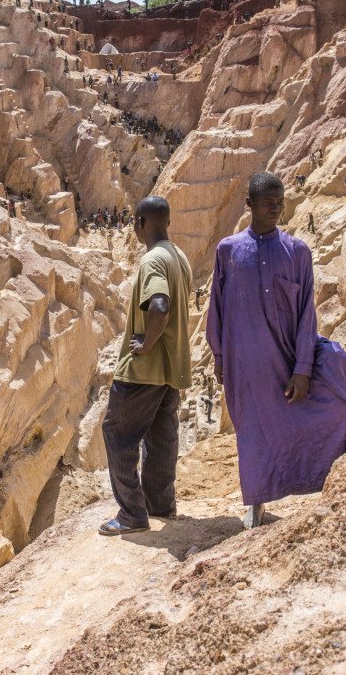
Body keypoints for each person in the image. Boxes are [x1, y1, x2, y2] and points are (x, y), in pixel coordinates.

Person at [206, 173, 346, 529]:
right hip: (245, 362)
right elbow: (216, 308)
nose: (277, 208)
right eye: (268, 202)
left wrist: (304, 368)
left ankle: (338, 476)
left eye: (280, 201)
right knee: (253, 431)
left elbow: (307, 310)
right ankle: (256, 503)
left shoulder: (297, 252)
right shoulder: (229, 251)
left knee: (341, 403)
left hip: (288, 359)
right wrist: (219, 357)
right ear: (249, 205)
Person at [99, 196, 192, 536]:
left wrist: (146, 343)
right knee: (161, 435)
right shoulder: (178, 256)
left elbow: (160, 304)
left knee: (117, 432)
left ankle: (131, 514)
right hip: (171, 368)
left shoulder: (152, 260)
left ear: (139, 222)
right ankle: (159, 505)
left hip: (144, 368)